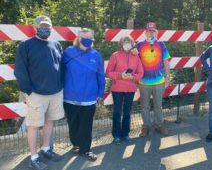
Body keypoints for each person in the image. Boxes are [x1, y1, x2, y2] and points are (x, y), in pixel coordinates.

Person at [14, 16, 64, 170]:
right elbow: (20, 70)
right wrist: (28, 90)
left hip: (55, 92)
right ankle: (33, 157)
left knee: (50, 121)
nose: (45, 28)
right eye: (42, 26)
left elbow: (60, 65)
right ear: (35, 28)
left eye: (47, 26)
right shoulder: (26, 45)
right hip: (36, 93)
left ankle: (46, 149)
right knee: (34, 125)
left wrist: (60, 85)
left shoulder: (56, 44)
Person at [63, 28, 105, 162]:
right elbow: (60, 71)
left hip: (89, 97)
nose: (86, 38)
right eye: (83, 36)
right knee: (73, 123)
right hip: (70, 96)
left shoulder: (96, 55)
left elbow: (100, 75)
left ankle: (85, 149)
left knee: (86, 124)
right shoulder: (68, 52)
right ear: (78, 37)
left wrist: (100, 92)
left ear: (92, 39)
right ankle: (75, 144)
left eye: (89, 36)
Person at [106, 36, 144, 144]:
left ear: (132, 44)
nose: (126, 43)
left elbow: (140, 73)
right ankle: (116, 135)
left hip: (130, 89)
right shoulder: (115, 55)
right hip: (117, 88)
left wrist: (133, 77)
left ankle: (126, 134)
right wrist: (120, 75)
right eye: (124, 42)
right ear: (121, 44)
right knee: (117, 112)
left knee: (127, 112)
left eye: (129, 42)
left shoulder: (136, 57)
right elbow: (108, 72)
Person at [137, 22, 171, 137]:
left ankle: (159, 125)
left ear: (156, 32)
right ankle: (145, 126)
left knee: (158, 105)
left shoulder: (161, 44)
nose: (151, 33)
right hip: (143, 82)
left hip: (159, 81)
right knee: (145, 106)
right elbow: (135, 62)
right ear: (145, 33)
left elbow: (166, 61)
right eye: (149, 31)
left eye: (153, 31)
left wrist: (168, 76)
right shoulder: (139, 45)